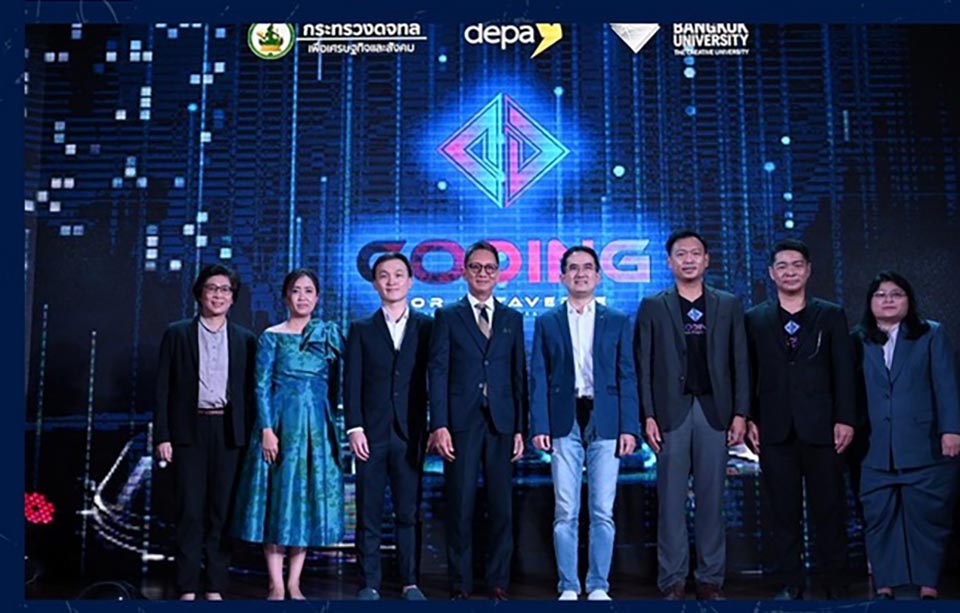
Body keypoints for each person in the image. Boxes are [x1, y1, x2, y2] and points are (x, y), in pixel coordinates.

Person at [634, 230, 749, 600]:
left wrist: (741, 413)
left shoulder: (728, 304)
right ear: (669, 262)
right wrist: (648, 415)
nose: (688, 259)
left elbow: (741, 362)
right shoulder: (653, 306)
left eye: (695, 253)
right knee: (670, 501)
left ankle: (711, 578)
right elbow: (644, 366)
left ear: (707, 260)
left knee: (711, 500)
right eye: (680, 254)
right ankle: (673, 579)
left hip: (716, 411)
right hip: (671, 413)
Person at [744, 239, 856, 600]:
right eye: (782, 266)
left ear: (808, 270)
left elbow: (844, 372)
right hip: (775, 429)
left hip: (823, 428)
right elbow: (747, 374)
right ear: (771, 273)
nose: (789, 272)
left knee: (829, 510)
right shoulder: (755, 318)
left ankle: (835, 582)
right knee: (783, 513)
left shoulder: (831, 314)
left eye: (796, 265)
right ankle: (789, 583)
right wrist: (749, 419)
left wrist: (845, 418)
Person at [530, 246, 639, 601]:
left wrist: (629, 427)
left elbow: (627, 375)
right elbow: (539, 376)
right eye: (573, 268)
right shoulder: (548, 321)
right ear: (562, 276)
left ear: (598, 276)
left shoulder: (617, 320)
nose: (581, 274)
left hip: (606, 418)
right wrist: (540, 425)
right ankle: (568, 585)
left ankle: (598, 584)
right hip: (564, 419)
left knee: (602, 510)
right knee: (565, 510)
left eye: (588, 267)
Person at [231, 268, 344, 600]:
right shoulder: (272, 336)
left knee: (304, 501)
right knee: (278, 500)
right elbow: (260, 386)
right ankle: (276, 584)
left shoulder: (328, 333)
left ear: (317, 297)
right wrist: (267, 429)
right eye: (296, 290)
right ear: (285, 297)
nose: (302, 297)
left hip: (316, 429)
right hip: (279, 425)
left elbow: (337, 384)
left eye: (309, 291)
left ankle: (294, 582)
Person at [427, 240, 527, 600]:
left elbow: (518, 375)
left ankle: (498, 581)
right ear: (465, 272)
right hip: (461, 423)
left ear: (498, 274)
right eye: (476, 267)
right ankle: (461, 583)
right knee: (461, 505)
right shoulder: (447, 316)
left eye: (489, 268)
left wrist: (521, 428)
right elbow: (438, 372)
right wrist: (439, 424)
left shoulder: (512, 319)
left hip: (502, 423)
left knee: (502, 507)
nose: (483, 273)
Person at [851, 271, 960, 600]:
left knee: (926, 517)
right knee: (879, 517)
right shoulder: (857, 339)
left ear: (909, 300)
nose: (888, 300)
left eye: (896, 294)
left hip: (923, 443)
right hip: (874, 446)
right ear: (870, 302)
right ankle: (886, 583)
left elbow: (946, 384)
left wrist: (951, 429)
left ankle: (927, 583)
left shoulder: (930, 334)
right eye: (880, 294)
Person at [153, 263, 258, 600]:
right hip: (189, 430)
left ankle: (215, 586)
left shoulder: (246, 340)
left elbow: (251, 395)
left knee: (222, 512)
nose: (218, 295)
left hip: (229, 432)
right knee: (189, 510)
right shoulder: (177, 333)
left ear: (233, 298)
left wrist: (251, 437)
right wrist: (163, 435)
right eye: (212, 288)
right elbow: (162, 388)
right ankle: (186, 587)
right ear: (199, 293)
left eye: (225, 290)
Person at [344, 253, 433, 601]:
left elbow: (436, 378)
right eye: (384, 275)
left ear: (410, 281)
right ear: (375, 283)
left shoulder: (428, 327)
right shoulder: (361, 329)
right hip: (371, 433)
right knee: (368, 511)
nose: (391, 281)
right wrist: (354, 427)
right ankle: (369, 583)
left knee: (408, 512)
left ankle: (410, 582)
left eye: (398, 275)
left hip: (412, 432)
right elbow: (351, 382)